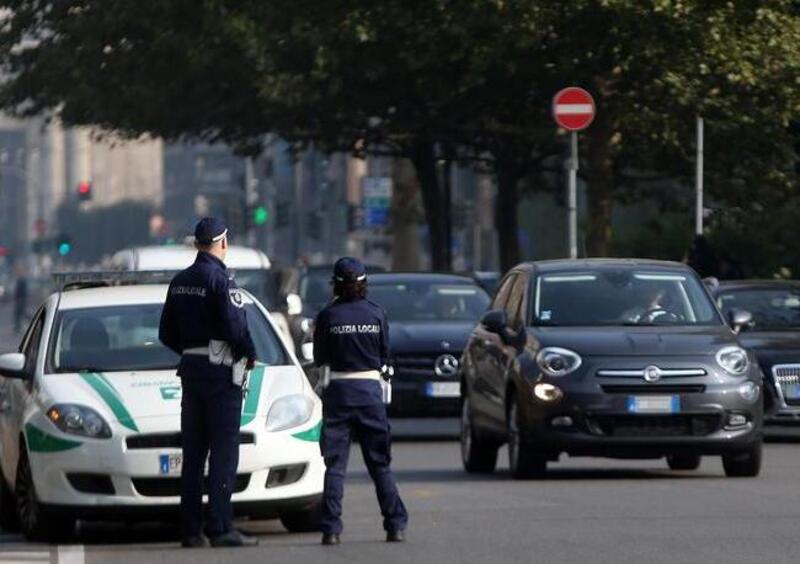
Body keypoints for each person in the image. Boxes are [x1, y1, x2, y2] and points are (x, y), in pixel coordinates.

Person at [158, 217, 258, 548]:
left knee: (194, 454)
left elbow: (165, 333)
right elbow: (235, 329)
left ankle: (190, 530)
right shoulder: (221, 281)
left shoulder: (179, 281)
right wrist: (248, 352)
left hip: (191, 370)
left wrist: (192, 351)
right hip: (220, 374)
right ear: (223, 243)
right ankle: (220, 527)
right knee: (224, 454)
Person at [313, 257, 408, 546]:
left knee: (335, 466)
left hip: (339, 392)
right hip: (369, 394)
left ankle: (331, 530)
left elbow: (319, 357)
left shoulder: (328, 317)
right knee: (380, 465)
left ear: (335, 285)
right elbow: (384, 356)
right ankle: (395, 526)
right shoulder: (376, 314)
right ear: (364, 283)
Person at [13, 262, 28, 334]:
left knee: (20, 313)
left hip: (21, 299)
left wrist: (20, 298)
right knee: (19, 314)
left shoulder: (22, 280)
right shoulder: (19, 279)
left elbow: (22, 291)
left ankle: (20, 327)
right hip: (20, 299)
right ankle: (18, 327)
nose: (17, 272)